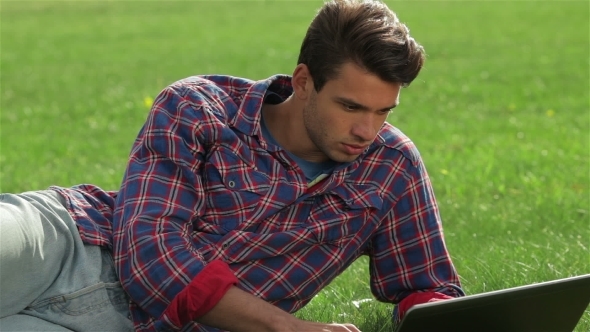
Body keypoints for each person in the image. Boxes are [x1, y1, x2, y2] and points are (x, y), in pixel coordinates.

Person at [0, 0, 464, 331]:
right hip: (69, 241)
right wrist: (282, 327)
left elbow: (428, 292)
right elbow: (151, 253)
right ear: (304, 80)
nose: (367, 129)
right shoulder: (199, 106)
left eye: (383, 111)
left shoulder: (392, 168)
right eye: (350, 106)